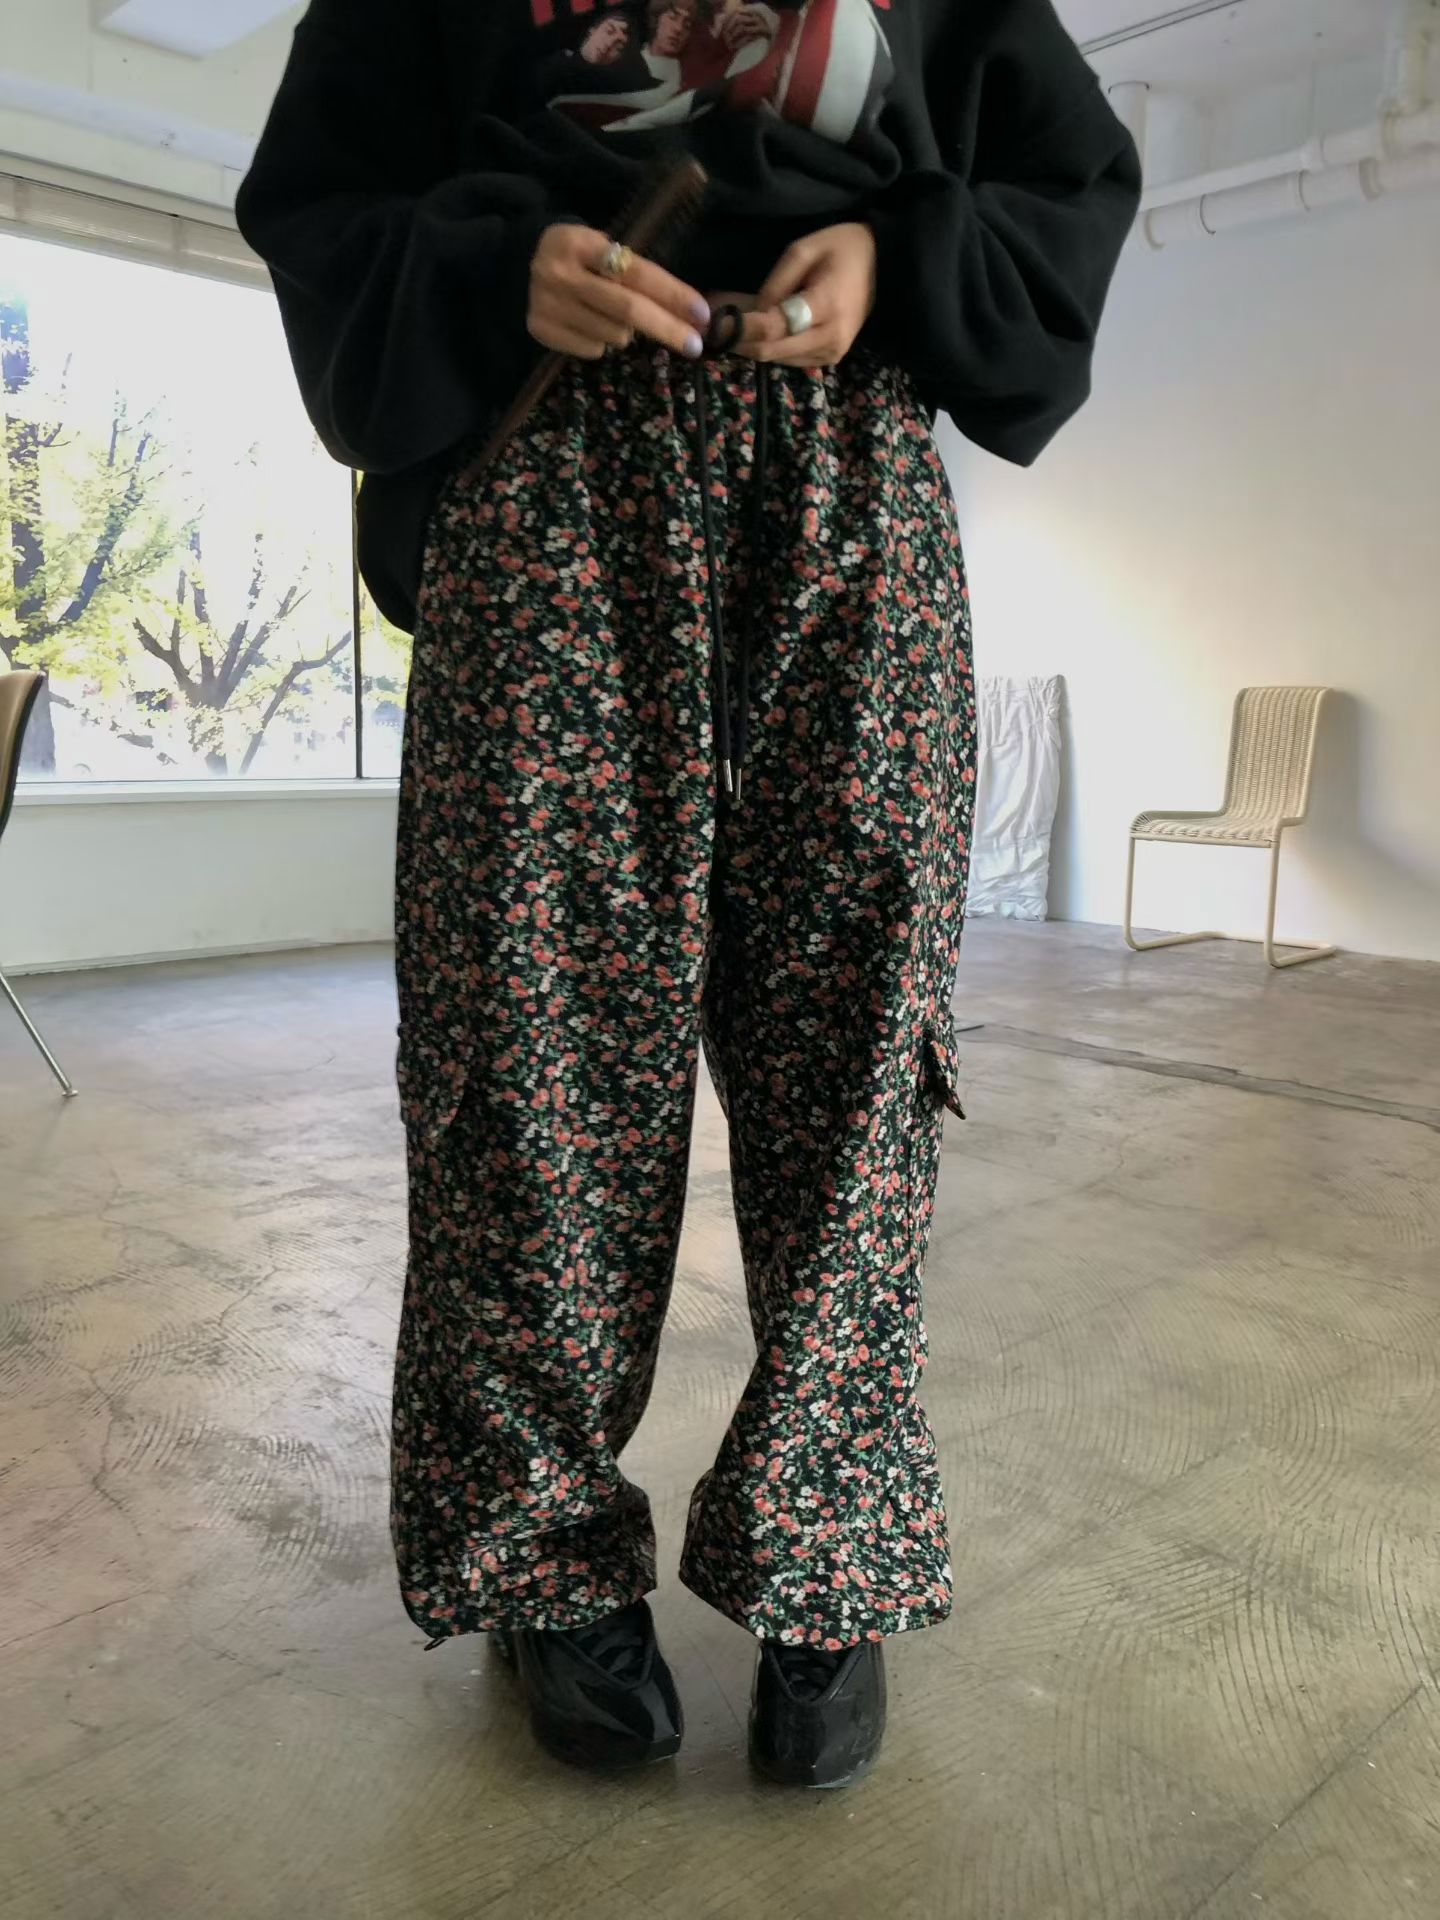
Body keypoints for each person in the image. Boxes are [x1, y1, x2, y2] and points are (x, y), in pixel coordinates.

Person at [237, 0, 1140, 1790]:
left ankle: (828, 1547)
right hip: (546, 459)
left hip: (849, 461)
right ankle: (543, 1555)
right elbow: (318, 195)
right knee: (533, 1047)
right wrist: (492, 266)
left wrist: (901, 256)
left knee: (859, 1040)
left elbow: (1073, 176)